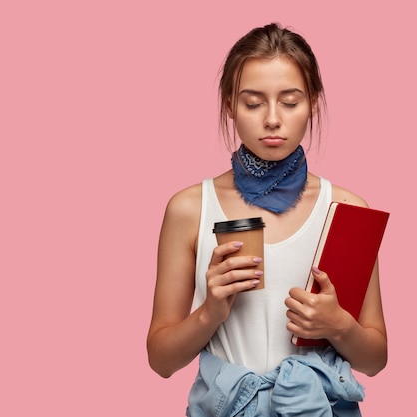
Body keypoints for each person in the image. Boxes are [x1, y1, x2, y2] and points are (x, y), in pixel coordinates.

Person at [147, 23, 387, 415]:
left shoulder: (347, 209)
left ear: (312, 101)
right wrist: (211, 312)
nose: (272, 119)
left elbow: (375, 360)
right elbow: (161, 360)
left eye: (290, 102)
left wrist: (337, 325)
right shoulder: (190, 208)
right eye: (253, 103)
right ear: (229, 104)